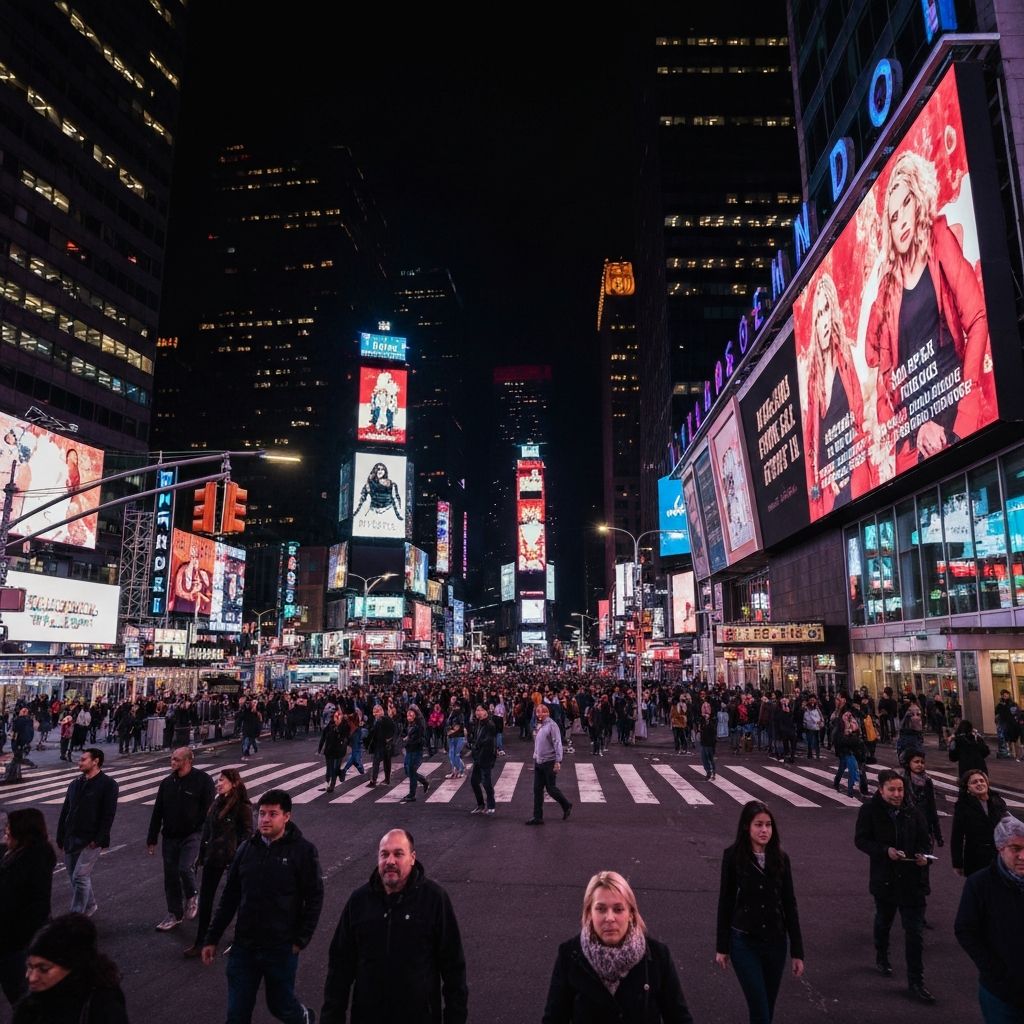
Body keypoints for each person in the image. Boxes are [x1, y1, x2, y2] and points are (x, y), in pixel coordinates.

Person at [866, 149, 993, 479]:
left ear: (919, 199)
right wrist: (916, 426)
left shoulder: (939, 240)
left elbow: (978, 317)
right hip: (916, 441)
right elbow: (884, 384)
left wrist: (964, 404)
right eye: (893, 217)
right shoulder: (886, 291)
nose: (902, 220)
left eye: (906, 203)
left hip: (957, 418)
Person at [320, 828, 467, 1024]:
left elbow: (453, 968)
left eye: (398, 854)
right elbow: (340, 968)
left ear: (412, 858)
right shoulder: (359, 901)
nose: (390, 861)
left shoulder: (434, 899)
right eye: (384, 854)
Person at [202, 790, 323, 1024]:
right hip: (244, 946)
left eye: (273, 814)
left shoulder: (303, 851)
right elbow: (230, 896)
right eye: (262, 813)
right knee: (236, 1014)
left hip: (281, 947)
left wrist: (301, 939)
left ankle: (304, 1017)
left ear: (287, 816)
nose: (265, 819)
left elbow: (315, 897)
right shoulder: (246, 849)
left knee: (281, 1006)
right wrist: (212, 937)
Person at [542, 869, 693, 1024]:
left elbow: (679, 1018)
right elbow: (554, 1018)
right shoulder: (569, 956)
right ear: (589, 913)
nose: (609, 918)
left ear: (631, 914)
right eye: (600, 909)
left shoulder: (658, 956)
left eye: (618, 909)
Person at [715, 802, 804, 1024]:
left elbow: (789, 903)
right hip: (744, 941)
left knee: (767, 1007)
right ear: (747, 827)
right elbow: (725, 902)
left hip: (776, 942)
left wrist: (797, 951)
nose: (764, 830)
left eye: (768, 825)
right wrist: (722, 947)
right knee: (760, 1010)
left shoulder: (781, 858)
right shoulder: (734, 856)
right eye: (758, 825)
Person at [854, 769, 934, 1002]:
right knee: (884, 921)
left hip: (912, 880)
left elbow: (925, 841)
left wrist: (923, 856)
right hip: (886, 877)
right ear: (881, 790)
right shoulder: (870, 810)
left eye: (900, 789)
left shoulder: (913, 812)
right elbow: (861, 840)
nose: (897, 794)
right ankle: (881, 953)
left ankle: (916, 981)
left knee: (915, 933)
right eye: (892, 790)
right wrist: (884, 851)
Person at [804, 273, 873, 518]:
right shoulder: (812, 379)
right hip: (829, 485)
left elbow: (859, 416)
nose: (823, 322)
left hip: (854, 473)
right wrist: (819, 479)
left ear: (833, 313)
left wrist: (849, 462)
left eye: (826, 310)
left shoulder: (845, 358)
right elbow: (811, 441)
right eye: (818, 315)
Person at [955, 815, 1024, 1022]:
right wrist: (995, 971)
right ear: (1000, 848)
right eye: (1016, 849)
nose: (1023, 856)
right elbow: (965, 929)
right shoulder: (981, 884)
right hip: (1001, 992)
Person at [184, 768, 253, 958]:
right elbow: (208, 830)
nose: (218, 783)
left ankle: (239, 938)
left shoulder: (242, 806)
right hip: (213, 857)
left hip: (232, 859)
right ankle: (201, 941)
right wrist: (201, 854)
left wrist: (240, 857)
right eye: (218, 780)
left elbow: (247, 834)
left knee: (235, 899)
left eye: (221, 780)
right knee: (206, 900)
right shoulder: (216, 803)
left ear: (233, 783)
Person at [146, 746, 215, 931]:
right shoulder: (167, 783)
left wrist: (204, 834)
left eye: (176, 759)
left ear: (187, 761)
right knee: (170, 877)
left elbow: (208, 811)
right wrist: (152, 838)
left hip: (192, 834)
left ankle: (192, 896)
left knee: (185, 867)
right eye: (172, 758)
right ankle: (174, 914)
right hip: (170, 836)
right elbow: (158, 811)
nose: (172, 762)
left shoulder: (203, 781)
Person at [13, 913, 128, 1024]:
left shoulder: (102, 1008)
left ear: (72, 966)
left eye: (43, 969)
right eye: (30, 967)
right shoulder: (29, 1007)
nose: (32, 978)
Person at [0, 809, 56, 1009]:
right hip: (11, 941)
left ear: (23, 833)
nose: (6, 832)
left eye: (9, 830)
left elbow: (36, 909)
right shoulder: (12, 853)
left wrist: (14, 937)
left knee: (22, 996)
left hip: (16, 944)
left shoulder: (33, 861)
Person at [55, 747, 119, 916]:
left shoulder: (108, 785)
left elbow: (108, 814)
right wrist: (60, 835)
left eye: (83, 759)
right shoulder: (75, 783)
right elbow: (66, 810)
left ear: (95, 761)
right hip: (71, 837)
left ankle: (76, 915)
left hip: (90, 839)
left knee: (80, 876)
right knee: (74, 877)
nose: (79, 762)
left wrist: (99, 839)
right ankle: (90, 905)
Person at [951, 768, 1009, 879]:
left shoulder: (997, 801)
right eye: (974, 782)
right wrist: (957, 863)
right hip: (976, 858)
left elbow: (1008, 827)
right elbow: (957, 836)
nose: (979, 784)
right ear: (968, 788)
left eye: (982, 780)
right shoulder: (963, 806)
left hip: (1000, 857)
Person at [526, 702, 572, 825]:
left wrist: (558, 761)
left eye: (540, 712)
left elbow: (558, 744)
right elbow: (538, 743)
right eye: (537, 712)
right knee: (537, 789)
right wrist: (535, 756)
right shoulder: (539, 725)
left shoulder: (552, 726)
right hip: (539, 761)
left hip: (549, 761)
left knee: (551, 789)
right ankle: (537, 817)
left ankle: (566, 805)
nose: (538, 714)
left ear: (547, 713)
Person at [468, 705, 497, 815]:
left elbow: (489, 742)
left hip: (486, 758)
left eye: (481, 710)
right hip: (478, 757)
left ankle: (491, 805)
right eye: (477, 710)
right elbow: (476, 738)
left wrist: (477, 745)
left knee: (486, 782)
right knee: (474, 782)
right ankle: (480, 805)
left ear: (486, 712)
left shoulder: (490, 725)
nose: (478, 712)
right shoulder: (478, 723)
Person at [400, 706, 430, 804]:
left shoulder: (418, 726)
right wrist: (405, 738)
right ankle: (424, 781)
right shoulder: (408, 724)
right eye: (408, 714)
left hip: (416, 751)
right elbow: (403, 734)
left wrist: (408, 740)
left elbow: (419, 739)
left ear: (415, 715)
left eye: (411, 714)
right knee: (407, 771)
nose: (409, 716)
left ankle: (412, 795)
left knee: (412, 772)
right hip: (409, 750)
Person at [317, 710, 350, 793]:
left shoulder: (345, 726)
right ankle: (327, 784)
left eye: (339, 717)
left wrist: (338, 730)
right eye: (335, 717)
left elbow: (346, 738)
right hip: (329, 750)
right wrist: (319, 749)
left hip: (339, 751)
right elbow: (323, 737)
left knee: (335, 769)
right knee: (329, 769)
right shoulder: (330, 725)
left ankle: (332, 786)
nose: (337, 719)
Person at [365, 704, 396, 788]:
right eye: (374, 712)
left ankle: (380, 780)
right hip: (380, 745)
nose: (374, 714)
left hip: (384, 745)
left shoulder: (384, 720)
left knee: (382, 762)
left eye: (376, 712)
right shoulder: (377, 720)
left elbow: (394, 729)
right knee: (380, 762)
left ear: (381, 711)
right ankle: (378, 780)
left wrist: (389, 738)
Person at [699, 713, 717, 781]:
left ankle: (712, 773)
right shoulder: (703, 724)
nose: (705, 716)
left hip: (709, 745)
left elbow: (714, 736)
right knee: (704, 759)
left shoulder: (711, 725)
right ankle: (708, 772)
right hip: (703, 744)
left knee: (710, 759)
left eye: (707, 715)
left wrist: (713, 746)